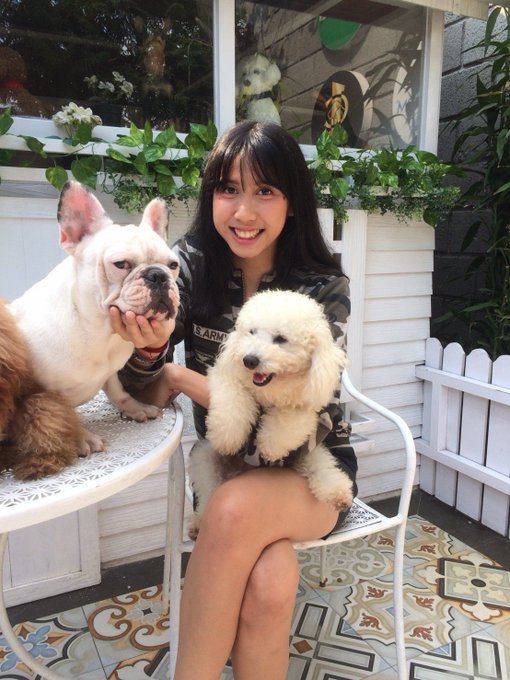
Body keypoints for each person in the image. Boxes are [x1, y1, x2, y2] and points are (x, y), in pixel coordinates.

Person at [110, 120, 357, 680]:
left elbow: (302, 403)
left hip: (311, 470)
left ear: (292, 201)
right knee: (270, 582)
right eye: (228, 189)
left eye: (264, 190)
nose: (244, 211)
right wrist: (148, 350)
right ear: (211, 196)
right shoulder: (188, 265)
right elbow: (136, 382)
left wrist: (182, 377)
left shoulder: (321, 285)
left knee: (232, 510)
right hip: (225, 465)